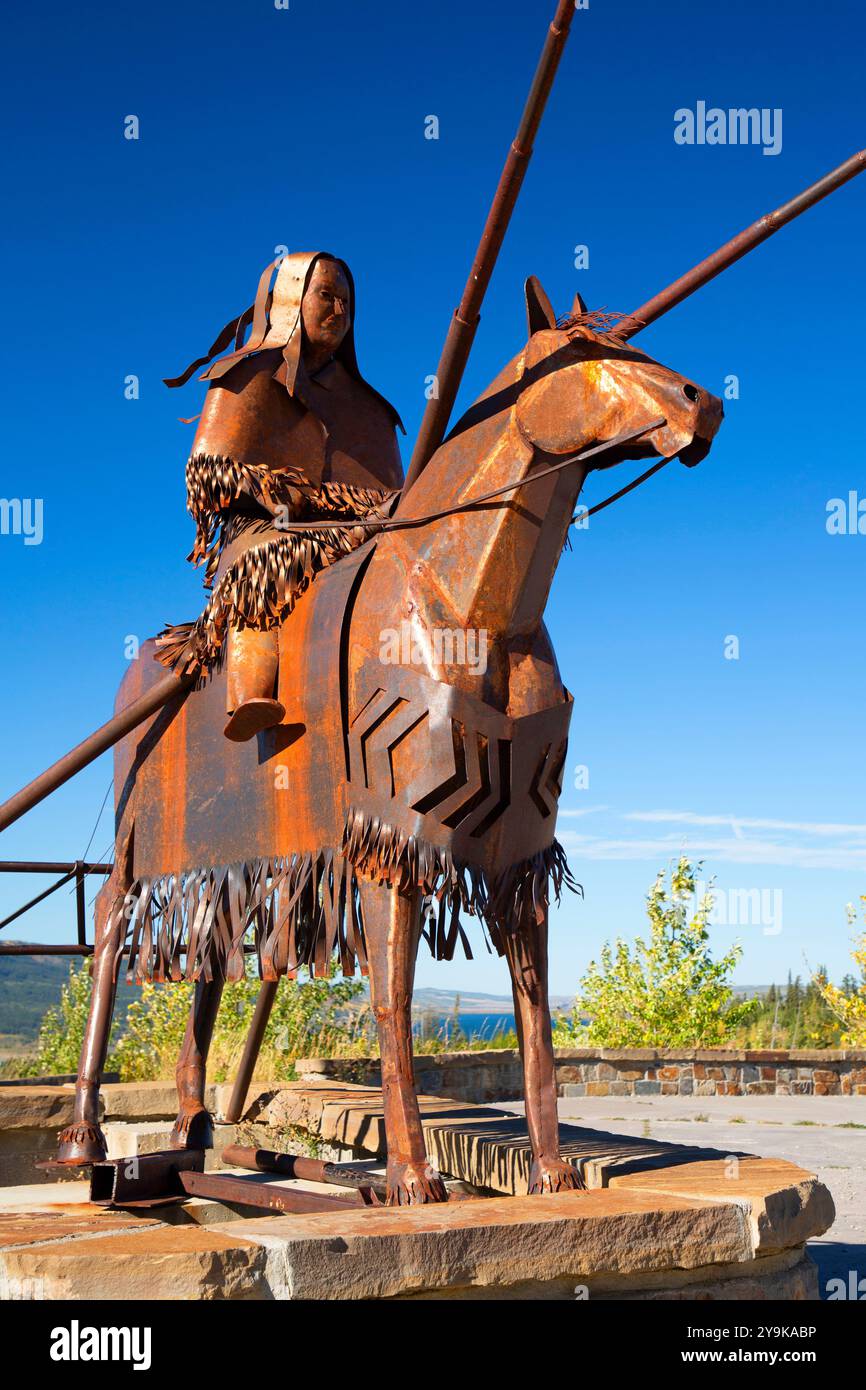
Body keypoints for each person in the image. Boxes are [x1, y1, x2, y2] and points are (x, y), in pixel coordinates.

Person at [158, 251, 404, 740]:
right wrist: (284, 492)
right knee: (259, 571)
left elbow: (392, 493)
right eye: (326, 296)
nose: (338, 311)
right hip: (269, 530)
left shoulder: (371, 410)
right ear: (292, 299)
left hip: (358, 533)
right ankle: (251, 692)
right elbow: (208, 472)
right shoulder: (247, 375)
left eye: (346, 302)